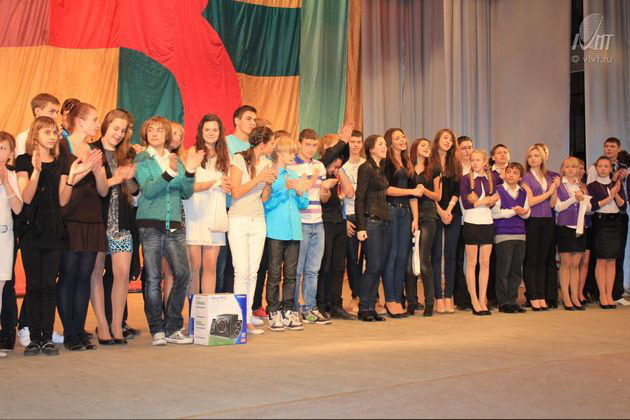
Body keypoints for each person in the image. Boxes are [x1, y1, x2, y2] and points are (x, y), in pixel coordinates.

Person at [16, 117, 96, 355]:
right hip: (31, 232)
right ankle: (34, 338)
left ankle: (47, 337)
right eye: (47, 132)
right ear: (35, 135)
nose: (52, 137)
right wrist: (36, 172)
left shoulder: (61, 162)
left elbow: (62, 200)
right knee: (34, 285)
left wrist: (71, 179)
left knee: (49, 285)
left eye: (55, 133)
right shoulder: (24, 160)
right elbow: (26, 197)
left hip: (54, 232)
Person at [134, 116, 202, 346]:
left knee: (183, 274)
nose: (155, 133)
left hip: (173, 223)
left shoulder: (175, 159)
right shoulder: (142, 158)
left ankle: (172, 327)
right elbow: (149, 189)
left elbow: (186, 192)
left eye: (159, 130)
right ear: (145, 134)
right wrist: (170, 174)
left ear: (167, 135)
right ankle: (156, 329)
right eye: (150, 130)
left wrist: (189, 171)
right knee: (154, 277)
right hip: (150, 224)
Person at [57, 102, 108, 351]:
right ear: (80, 122)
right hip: (69, 217)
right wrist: (84, 168)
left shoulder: (94, 149)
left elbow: (103, 190)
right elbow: (61, 185)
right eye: (94, 119)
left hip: (92, 218)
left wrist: (97, 172)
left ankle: (79, 330)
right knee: (68, 275)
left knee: (84, 276)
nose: (98, 124)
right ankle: (69, 333)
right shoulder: (62, 146)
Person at [90, 110, 138, 345]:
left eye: (123, 130)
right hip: (97, 221)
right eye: (115, 128)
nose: (118, 134)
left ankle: (117, 325)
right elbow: (91, 189)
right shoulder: (92, 150)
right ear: (106, 125)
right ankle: (102, 325)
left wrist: (128, 177)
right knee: (96, 272)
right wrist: (114, 179)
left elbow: (135, 191)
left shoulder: (126, 153)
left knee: (122, 274)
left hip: (122, 222)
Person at [229, 126, 276, 335]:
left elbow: (264, 198)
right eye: (271, 143)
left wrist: (269, 184)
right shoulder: (239, 159)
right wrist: (259, 178)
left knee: (253, 271)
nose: (273, 147)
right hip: (238, 219)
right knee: (241, 271)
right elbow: (235, 192)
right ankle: (239, 318)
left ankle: (247, 315)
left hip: (258, 220)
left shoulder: (267, 163)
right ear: (262, 144)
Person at [263, 135, 308, 331]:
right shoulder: (271, 174)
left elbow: (303, 203)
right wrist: (283, 190)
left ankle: (288, 310)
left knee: (291, 274)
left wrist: (299, 192)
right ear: (279, 153)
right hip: (275, 230)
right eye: (290, 152)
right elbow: (266, 204)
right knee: (274, 274)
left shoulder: (294, 174)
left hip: (294, 231)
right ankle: (273, 310)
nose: (293, 156)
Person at [184, 115, 231, 297]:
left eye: (215, 130)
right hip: (195, 213)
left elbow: (227, 184)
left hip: (215, 213)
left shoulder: (225, 155)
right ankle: (194, 308)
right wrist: (215, 183)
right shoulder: (193, 151)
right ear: (201, 131)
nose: (211, 133)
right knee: (194, 265)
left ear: (220, 132)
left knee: (211, 265)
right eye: (207, 129)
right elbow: (189, 186)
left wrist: (226, 186)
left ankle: (207, 307)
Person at [288, 129, 331, 325]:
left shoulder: (319, 166)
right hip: (300, 222)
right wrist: (311, 179)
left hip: (317, 221)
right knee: (297, 270)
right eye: (307, 144)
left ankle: (310, 308)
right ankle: (293, 308)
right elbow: (298, 191)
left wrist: (325, 190)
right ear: (299, 143)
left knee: (313, 270)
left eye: (314, 145)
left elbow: (323, 198)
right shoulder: (292, 165)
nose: (311, 148)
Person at [382, 128, 422, 317]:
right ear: (390, 143)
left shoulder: (407, 162)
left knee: (402, 257)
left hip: (406, 212)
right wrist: (411, 192)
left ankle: (398, 298)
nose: (402, 140)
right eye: (397, 138)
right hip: (391, 210)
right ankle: (390, 299)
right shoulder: (387, 162)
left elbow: (414, 195)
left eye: (403, 136)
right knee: (392, 255)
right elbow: (387, 189)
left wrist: (416, 218)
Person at [318, 132, 356, 320]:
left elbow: (350, 193)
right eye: (334, 148)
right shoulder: (318, 167)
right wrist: (343, 141)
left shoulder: (338, 171)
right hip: (324, 222)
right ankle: (321, 304)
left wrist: (340, 171)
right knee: (324, 266)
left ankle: (336, 304)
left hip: (339, 221)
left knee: (338, 267)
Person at [586, 137, 628, 305]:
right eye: (600, 166)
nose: (603, 169)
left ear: (611, 168)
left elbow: (623, 205)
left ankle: (610, 295)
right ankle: (602, 295)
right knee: (602, 259)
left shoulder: (616, 183)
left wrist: (616, 192)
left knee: (612, 260)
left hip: (615, 223)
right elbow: (593, 205)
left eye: (606, 166)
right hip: (601, 223)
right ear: (596, 168)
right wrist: (610, 196)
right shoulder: (593, 186)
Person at [355, 135, 390, 322]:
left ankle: (371, 306)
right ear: (371, 149)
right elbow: (359, 198)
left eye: (385, 144)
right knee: (373, 266)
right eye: (381, 144)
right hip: (372, 222)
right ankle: (364, 308)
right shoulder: (366, 168)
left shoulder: (380, 168)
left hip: (384, 221)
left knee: (379, 266)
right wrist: (361, 226)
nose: (385, 147)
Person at [521, 145, 560, 311]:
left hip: (547, 220)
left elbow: (552, 204)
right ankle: (533, 296)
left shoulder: (547, 177)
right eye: (530, 156)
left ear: (543, 158)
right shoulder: (526, 177)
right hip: (533, 220)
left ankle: (541, 295)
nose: (533, 159)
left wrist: (555, 190)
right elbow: (530, 201)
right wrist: (549, 191)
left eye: (536, 155)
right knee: (531, 259)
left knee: (542, 260)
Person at [460, 149, 497, 316]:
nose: (474, 163)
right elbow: (467, 204)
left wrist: (487, 201)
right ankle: (474, 299)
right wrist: (486, 201)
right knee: (471, 262)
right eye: (472, 160)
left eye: (478, 160)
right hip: (472, 222)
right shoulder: (465, 179)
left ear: (484, 162)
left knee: (485, 262)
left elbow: (493, 201)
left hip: (487, 222)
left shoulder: (491, 178)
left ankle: (483, 299)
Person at [430, 128, 462, 315]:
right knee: (435, 255)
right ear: (437, 140)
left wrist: (448, 210)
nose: (448, 141)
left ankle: (449, 295)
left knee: (450, 254)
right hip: (434, 211)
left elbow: (458, 190)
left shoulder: (455, 163)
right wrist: (440, 211)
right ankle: (438, 297)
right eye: (445, 138)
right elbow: (427, 190)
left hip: (452, 212)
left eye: (451, 139)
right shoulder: (430, 162)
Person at [409, 138, 441, 316]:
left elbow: (437, 196)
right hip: (411, 215)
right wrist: (414, 218)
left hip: (429, 215)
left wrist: (424, 190)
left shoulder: (434, 168)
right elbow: (411, 196)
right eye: (423, 145)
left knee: (423, 259)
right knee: (409, 262)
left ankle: (430, 302)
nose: (427, 148)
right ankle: (412, 301)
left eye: (428, 146)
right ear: (415, 148)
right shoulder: (408, 168)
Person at [491, 162, 529, 314]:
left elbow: (527, 213)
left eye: (515, 173)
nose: (511, 175)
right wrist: (514, 211)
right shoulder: (498, 190)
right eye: (509, 172)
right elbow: (495, 213)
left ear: (520, 177)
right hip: (503, 234)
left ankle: (513, 301)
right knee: (503, 270)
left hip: (520, 234)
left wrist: (523, 212)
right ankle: (503, 302)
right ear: (505, 174)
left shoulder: (523, 192)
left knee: (516, 270)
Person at [555, 157, 590, 311]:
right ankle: (566, 297)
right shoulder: (559, 185)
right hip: (564, 227)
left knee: (576, 264)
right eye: (567, 166)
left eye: (573, 167)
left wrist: (584, 200)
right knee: (566, 263)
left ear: (578, 169)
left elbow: (589, 209)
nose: (570, 169)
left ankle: (575, 296)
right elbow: (558, 207)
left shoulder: (581, 186)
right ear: (563, 169)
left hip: (579, 227)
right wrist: (573, 199)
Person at [0, 132, 23, 358]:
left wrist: (6, 183)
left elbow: (17, 208)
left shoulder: (12, 175)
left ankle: (5, 335)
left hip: (4, 237)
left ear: (11, 152)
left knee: (1, 288)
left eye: (3, 148)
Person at [341, 130, 365, 313]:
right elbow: (339, 197)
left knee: (369, 258)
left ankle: (370, 296)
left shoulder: (367, 165)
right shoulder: (342, 167)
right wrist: (344, 219)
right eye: (352, 141)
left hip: (367, 216)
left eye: (358, 141)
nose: (356, 145)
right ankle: (356, 296)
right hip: (349, 215)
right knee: (352, 259)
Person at [453, 136, 473, 310]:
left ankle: (477, 295)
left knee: (475, 260)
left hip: (475, 219)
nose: (467, 151)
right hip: (458, 219)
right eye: (464, 148)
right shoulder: (455, 170)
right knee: (457, 259)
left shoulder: (477, 168)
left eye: (470, 147)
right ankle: (461, 297)